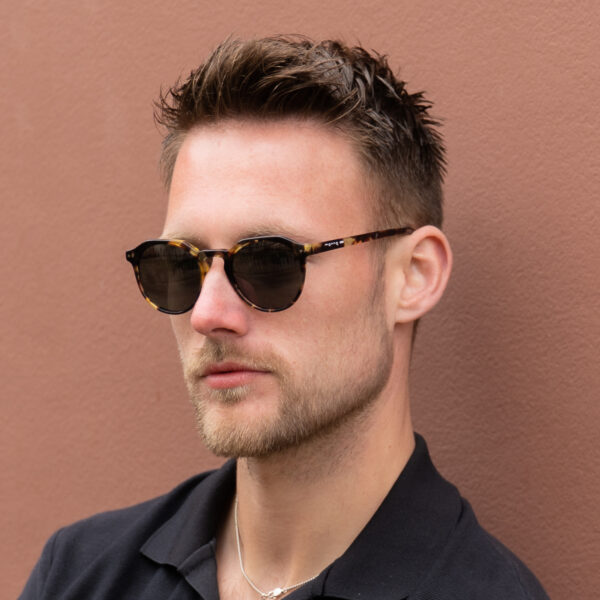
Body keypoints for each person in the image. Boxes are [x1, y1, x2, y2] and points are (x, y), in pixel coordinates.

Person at [20, 36, 550, 599]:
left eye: (270, 262)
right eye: (179, 264)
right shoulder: (81, 575)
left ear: (413, 276)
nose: (208, 314)